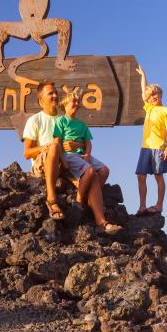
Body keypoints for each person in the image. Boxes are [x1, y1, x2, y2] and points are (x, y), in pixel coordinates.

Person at [53, 88, 121, 233]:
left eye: (78, 102)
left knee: (104, 170)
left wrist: (88, 154)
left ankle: (91, 198)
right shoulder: (61, 121)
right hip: (69, 154)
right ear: (65, 104)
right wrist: (62, 159)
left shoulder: (82, 124)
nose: (76, 104)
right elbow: (57, 142)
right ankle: (79, 200)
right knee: (90, 171)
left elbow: (88, 143)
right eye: (73, 101)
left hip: (82, 155)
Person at [135, 66, 167, 215]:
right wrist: (143, 75)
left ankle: (159, 205)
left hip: (159, 147)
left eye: (155, 94)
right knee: (141, 176)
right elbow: (143, 91)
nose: (153, 97)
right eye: (150, 95)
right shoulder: (149, 108)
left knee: (158, 176)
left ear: (160, 94)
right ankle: (142, 206)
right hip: (145, 147)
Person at [23, 80, 65, 220]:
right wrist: (45, 147)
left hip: (63, 162)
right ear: (41, 100)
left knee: (98, 171)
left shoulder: (63, 119)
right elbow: (27, 153)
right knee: (53, 146)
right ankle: (52, 199)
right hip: (42, 165)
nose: (55, 96)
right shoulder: (35, 120)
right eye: (50, 93)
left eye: (56, 92)